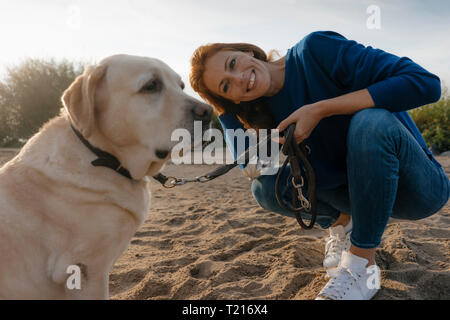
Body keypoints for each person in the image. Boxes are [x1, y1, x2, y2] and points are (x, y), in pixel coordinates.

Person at [189, 31, 450, 300]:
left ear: (248, 52)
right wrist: (227, 112)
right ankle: (343, 224)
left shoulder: (314, 50)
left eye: (233, 64)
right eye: (225, 86)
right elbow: (251, 166)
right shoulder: (260, 112)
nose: (240, 78)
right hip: (357, 198)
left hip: (417, 189)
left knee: (371, 122)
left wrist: (321, 109)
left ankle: (362, 265)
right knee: (264, 187)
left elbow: (425, 83)